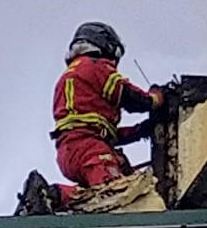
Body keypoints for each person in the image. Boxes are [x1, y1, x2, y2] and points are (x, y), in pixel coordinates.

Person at [28, 22, 167, 211]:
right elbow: (129, 96)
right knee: (119, 195)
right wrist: (157, 99)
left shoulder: (69, 77)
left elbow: (98, 129)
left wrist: (140, 130)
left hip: (70, 151)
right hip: (89, 150)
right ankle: (49, 194)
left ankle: (55, 198)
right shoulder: (94, 67)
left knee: (98, 198)